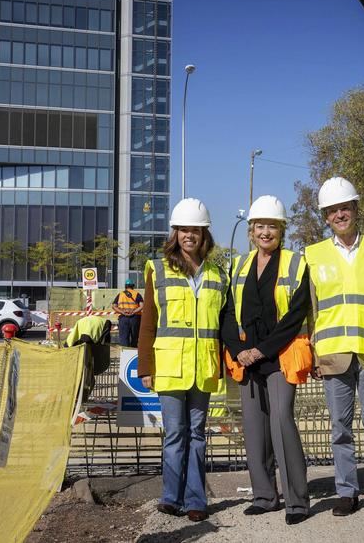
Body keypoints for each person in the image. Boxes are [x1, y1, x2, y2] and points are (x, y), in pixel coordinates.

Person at [303, 177, 364, 518]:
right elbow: (311, 311)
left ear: (356, 209)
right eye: (332, 211)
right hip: (333, 354)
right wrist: (313, 352)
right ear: (325, 217)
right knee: (339, 427)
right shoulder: (313, 255)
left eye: (345, 208)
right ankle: (347, 491)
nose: (339, 215)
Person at [221, 195, 312, 526]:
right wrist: (238, 350)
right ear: (251, 230)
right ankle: (264, 496)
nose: (265, 232)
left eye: (272, 226)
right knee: (254, 429)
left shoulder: (295, 263)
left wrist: (261, 350)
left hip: (280, 354)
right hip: (247, 359)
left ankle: (297, 501)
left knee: (281, 422)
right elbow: (228, 312)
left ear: (281, 230)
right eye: (260, 226)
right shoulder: (238, 265)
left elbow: (296, 314)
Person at [137, 198, 228, 523]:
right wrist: (145, 366)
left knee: (198, 435)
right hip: (170, 368)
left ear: (204, 235)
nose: (190, 235)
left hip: (203, 367)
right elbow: (148, 323)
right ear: (175, 234)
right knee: (175, 434)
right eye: (184, 230)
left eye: (196, 230)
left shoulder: (218, 274)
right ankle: (170, 498)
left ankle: (196, 501)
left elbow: (224, 323)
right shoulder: (158, 269)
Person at [64, 314, 112, 400]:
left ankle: (80, 398)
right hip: (84, 349)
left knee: (86, 377)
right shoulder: (102, 324)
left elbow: (70, 341)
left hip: (82, 348)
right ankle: (81, 398)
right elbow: (104, 342)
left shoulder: (82, 325)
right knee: (86, 378)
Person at [113, 279, 143, 347]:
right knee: (135, 337)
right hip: (135, 318)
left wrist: (122, 312)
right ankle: (133, 351)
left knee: (124, 338)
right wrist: (134, 311)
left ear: (125, 286)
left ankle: (125, 352)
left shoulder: (120, 294)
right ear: (133, 286)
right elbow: (142, 306)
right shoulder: (137, 294)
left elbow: (114, 306)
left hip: (123, 318)